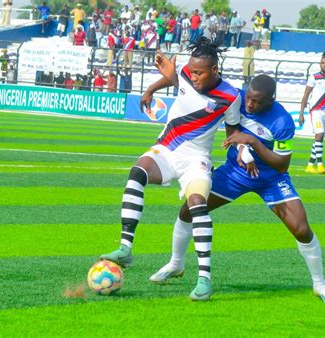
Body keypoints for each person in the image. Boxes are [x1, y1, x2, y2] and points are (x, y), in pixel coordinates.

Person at [149, 74, 325, 305]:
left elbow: (282, 164)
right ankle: (176, 264)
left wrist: (253, 143)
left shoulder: (282, 121)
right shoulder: (236, 99)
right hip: (235, 173)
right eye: (249, 98)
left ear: (271, 100)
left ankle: (319, 284)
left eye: (257, 101)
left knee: (301, 229)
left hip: (271, 179)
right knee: (189, 209)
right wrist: (241, 147)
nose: (250, 104)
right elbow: (228, 124)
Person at [100, 37, 242, 301]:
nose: (193, 75)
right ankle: (125, 247)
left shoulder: (232, 96)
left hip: (196, 159)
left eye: (200, 72)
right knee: (137, 172)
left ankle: (204, 279)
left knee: (197, 204)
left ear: (214, 70)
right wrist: (151, 88)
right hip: (167, 148)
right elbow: (178, 80)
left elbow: (233, 129)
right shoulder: (188, 72)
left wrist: (241, 150)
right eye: (192, 71)